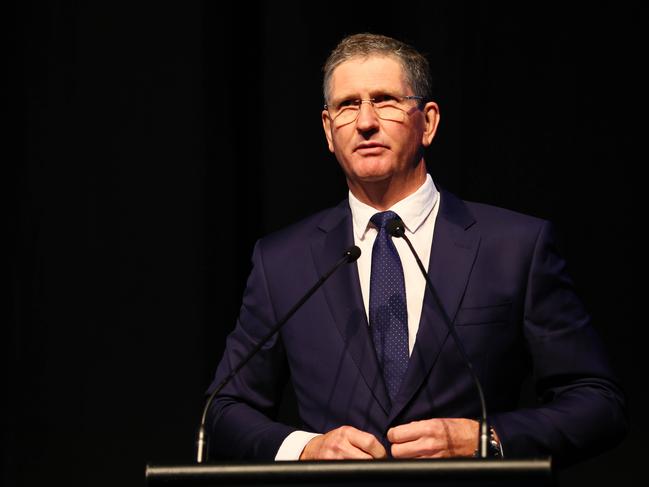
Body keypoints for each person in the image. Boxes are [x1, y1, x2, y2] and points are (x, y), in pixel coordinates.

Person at [206, 33, 626, 465]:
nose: (365, 121)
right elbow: (223, 411)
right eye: (348, 105)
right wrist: (306, 447)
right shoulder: (283, 262)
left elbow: (597, 403)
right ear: (329, 131)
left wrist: (487, 437)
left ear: (427, 122)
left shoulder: (515, 247)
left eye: (385, 100)